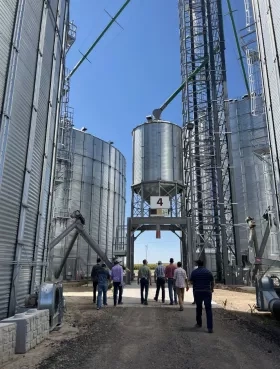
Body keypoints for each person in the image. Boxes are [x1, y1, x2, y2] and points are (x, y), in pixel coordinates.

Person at [190, 259, 214, 333]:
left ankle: (199, 323)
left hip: (198, 292)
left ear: (197, 264)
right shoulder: (208, 272)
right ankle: (210, 328)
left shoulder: (194, 272)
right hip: (207, 291)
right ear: (203, 264)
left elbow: (191, 282)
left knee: (199, 308)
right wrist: (211, 289)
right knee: (208, 309)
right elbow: (212, 282)